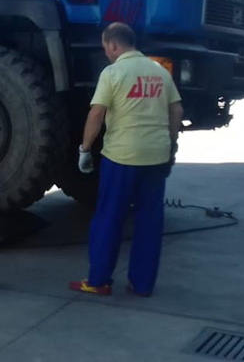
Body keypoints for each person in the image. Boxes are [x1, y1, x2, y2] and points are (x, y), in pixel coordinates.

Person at [70, 22, 184, 297]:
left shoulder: (113, 73)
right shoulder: (159, 72)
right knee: (149, 220)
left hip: (122, 157)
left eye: (105, 47)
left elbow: (96, 114)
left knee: (109, 217)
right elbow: (176, 110)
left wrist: (85, 149)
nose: (106, 52)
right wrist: (170, 145)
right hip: (156, 157)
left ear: (112, 45)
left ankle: (98, 281)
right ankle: (141, 284)